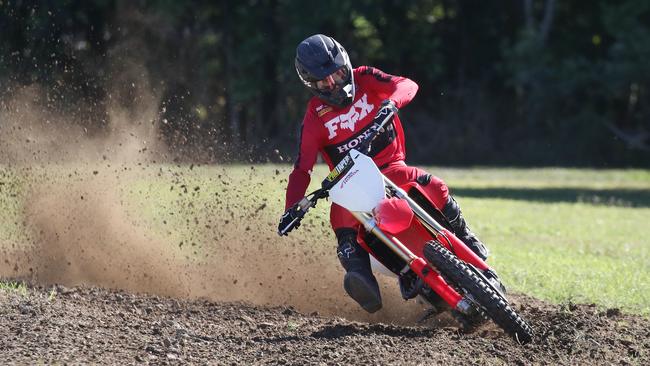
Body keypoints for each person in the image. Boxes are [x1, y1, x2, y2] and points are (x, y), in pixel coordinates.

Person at [278, 34, 495, 313]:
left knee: (434, 184)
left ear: (346, 64)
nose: (332, 83)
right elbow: (302, 169)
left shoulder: (367, 77)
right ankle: (361, 279)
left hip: (393, 169)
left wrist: (392, 102)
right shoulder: (314, 117)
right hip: (355, 187)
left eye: (337, 73)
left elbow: (407, 84)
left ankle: (464, 236)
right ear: (310, 85)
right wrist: (291, 207)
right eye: (323, 81)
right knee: (339, 212)